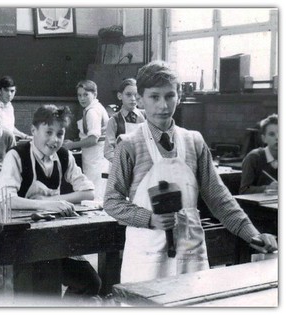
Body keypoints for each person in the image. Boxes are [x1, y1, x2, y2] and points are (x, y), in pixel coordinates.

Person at [103, 60, 277, 284]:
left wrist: (252, 234)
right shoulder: (128, 144)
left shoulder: (193, 141)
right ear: (140, 100)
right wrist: (149, 219)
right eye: (154, 97)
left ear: (179, 96)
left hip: (191, 253)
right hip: (146, 255)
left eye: (169, 96)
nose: (163, 106)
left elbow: (218, 198)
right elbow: (112, 201)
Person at [0, 104, 101, 301]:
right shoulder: (16, 155)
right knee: (38, 291)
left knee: (91, 282)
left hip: (54, 239)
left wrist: (52, 200)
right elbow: (4, 199)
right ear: (33, 131)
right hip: (20, 242)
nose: (55, 140)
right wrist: (45, 205)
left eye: (60, 134)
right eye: (49, 132)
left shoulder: (63, 155)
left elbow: (89, 192)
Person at [63, 80, 109, 202]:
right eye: (79, 95)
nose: (82, 98)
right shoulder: (95, 107)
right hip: (96, 156)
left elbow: (93, 139)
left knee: (95, 194)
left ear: (95, 94)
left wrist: (72, 145)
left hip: (96, 158)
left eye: (86, 95)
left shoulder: (92, 112)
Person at [103, 78, 146, 162]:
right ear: (120, 96)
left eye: (136, 95)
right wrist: (121, 165)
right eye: (128, 95)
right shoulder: (114, 120)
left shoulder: (146, 116)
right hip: (122, 166)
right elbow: (108, 151)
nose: (133, 98)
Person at [240, 114, 278, 194]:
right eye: (271, 134)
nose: (277, 138)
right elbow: (243, 191)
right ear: (264, 139)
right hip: (257, 205)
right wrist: (267, 188)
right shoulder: (253, 158)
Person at [0, 76, 32, 140]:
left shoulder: (10, 106)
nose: (9, 94)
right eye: (6, 90)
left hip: (9, 140)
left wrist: (25, 136)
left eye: (12, 91)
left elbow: (11, 128)